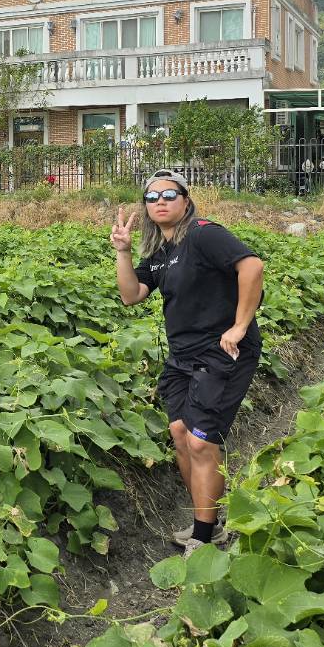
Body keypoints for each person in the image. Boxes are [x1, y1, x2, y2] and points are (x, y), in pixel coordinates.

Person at [111, 170, 264, 555]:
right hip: (182, 357)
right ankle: (209, 523)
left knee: (200, 442)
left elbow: (252, 267)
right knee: (181, 434)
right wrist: (124, 252)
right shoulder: (161, 251)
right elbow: (132, 295)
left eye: (169, 194)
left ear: (185, 199)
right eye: (151, 197)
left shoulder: (203, 234)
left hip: (222, 352)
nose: (160, 201)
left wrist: (240, 326)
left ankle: (204, 535)